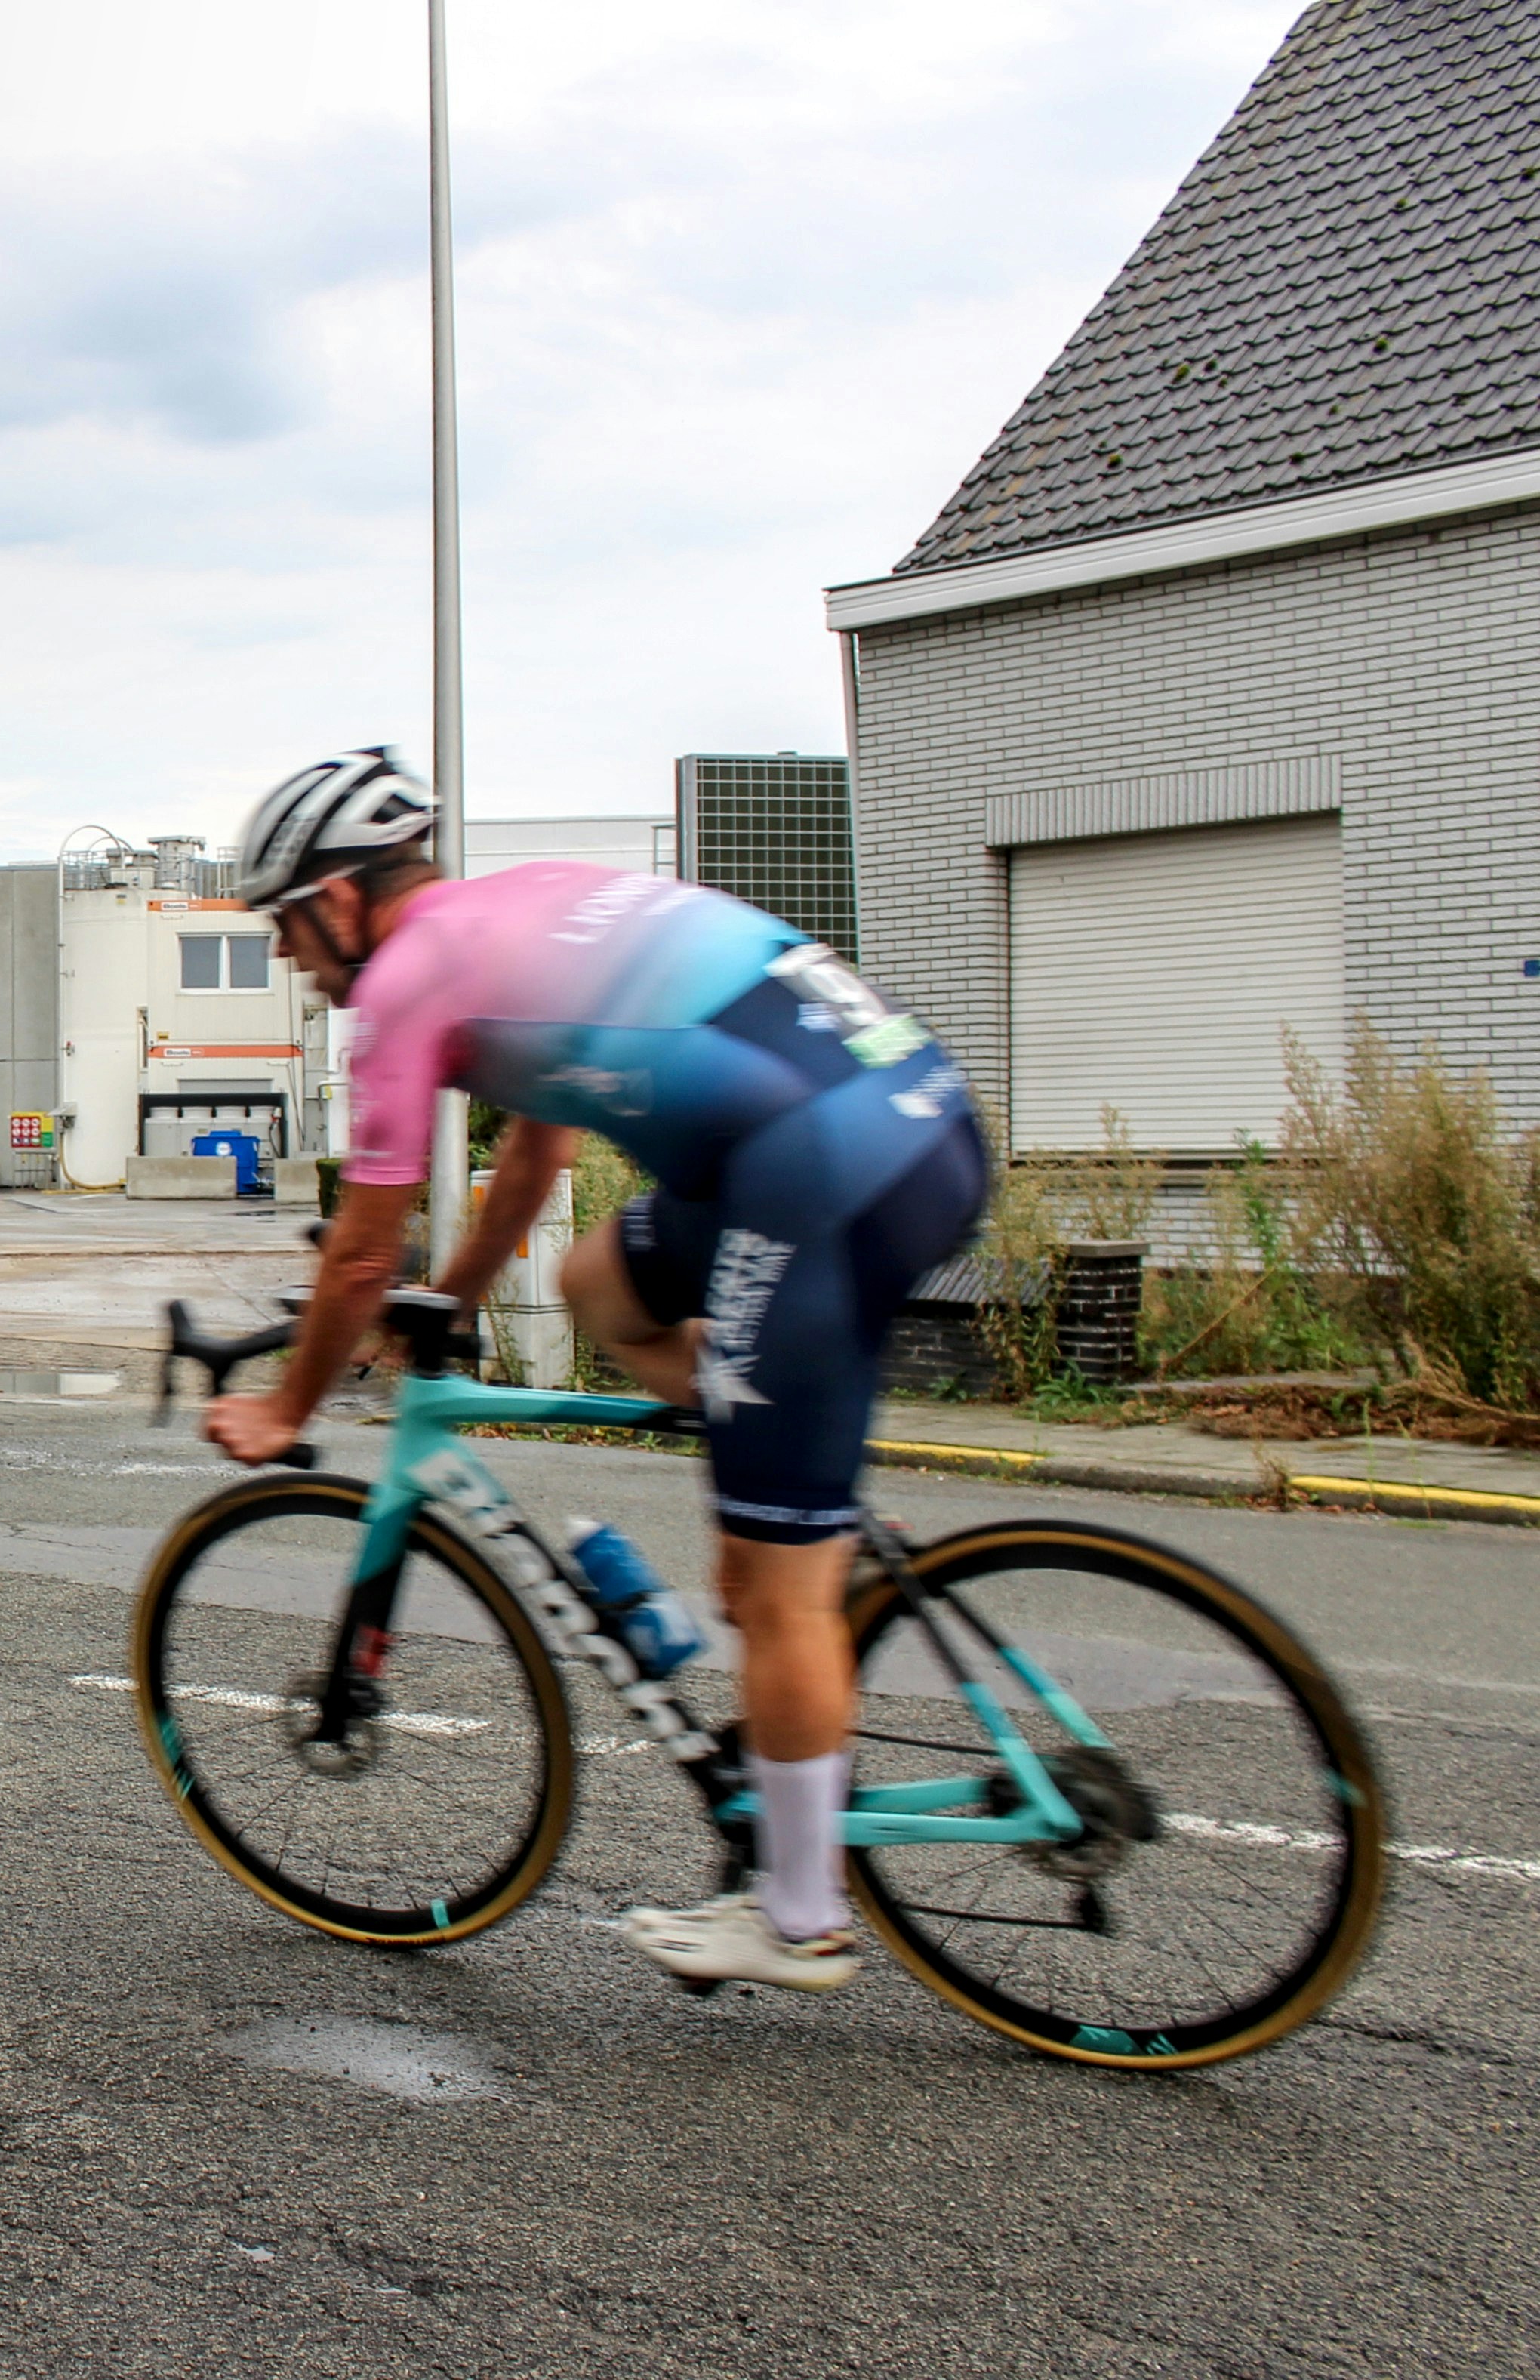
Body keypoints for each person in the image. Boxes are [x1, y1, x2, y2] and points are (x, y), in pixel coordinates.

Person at [199, 748, 987, 1994]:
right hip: (887, 1119)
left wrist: (286, 1406)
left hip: (823, 1168)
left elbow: (357, 1247)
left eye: (289, 926)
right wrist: (444, 1307)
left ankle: (795, 1917)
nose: (292, 958)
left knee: (768, 1591)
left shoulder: (405, 983)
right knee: (595, 1288)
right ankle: (795, 1482)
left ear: (341, 898)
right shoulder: (509, 920)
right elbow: (527, 1166)